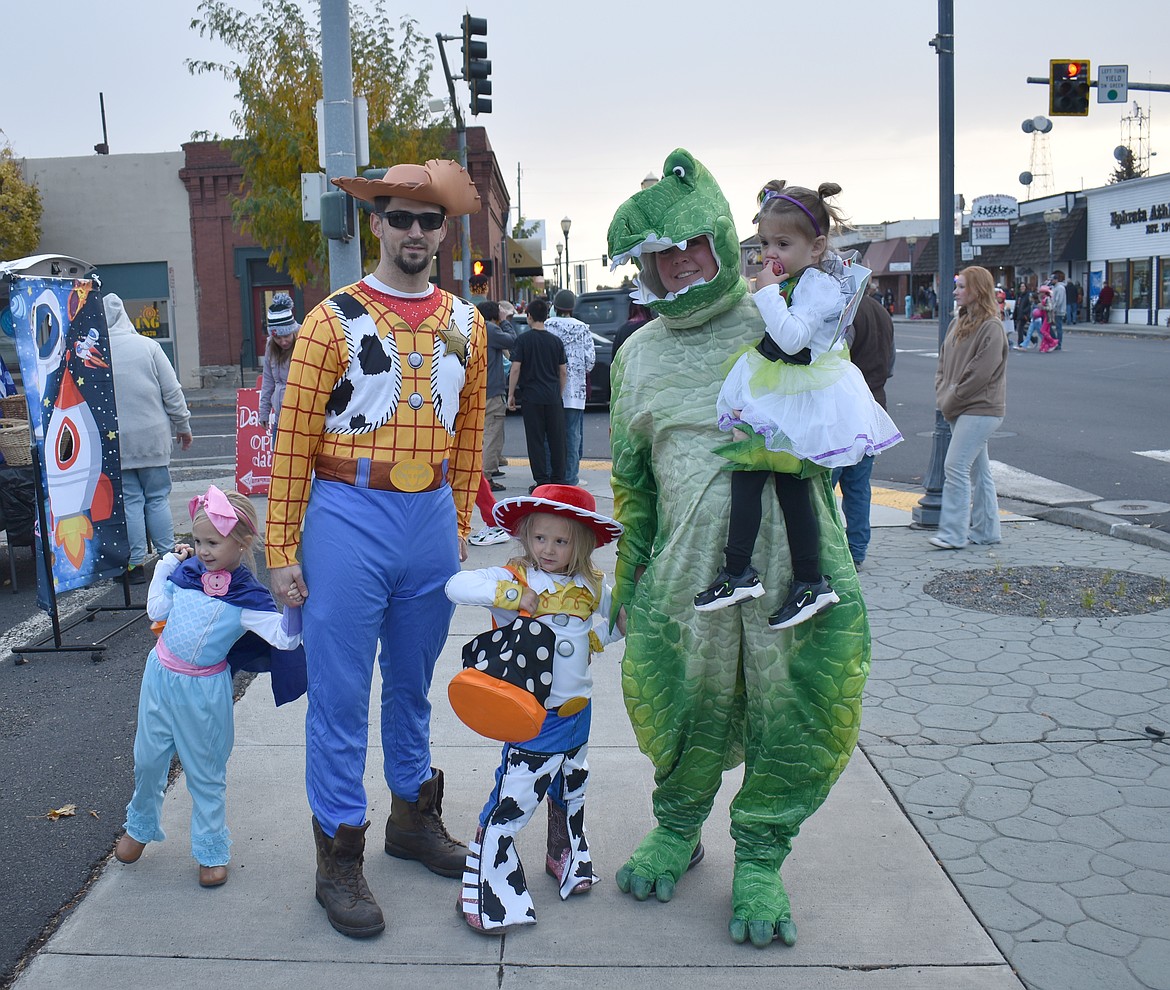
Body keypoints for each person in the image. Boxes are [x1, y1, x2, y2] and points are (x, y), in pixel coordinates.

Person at [606, 149, 871, 947]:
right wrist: (628, 569)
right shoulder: (635, 356)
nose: (678, 264)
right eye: (659, 255)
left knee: (793, 708)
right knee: (679, 702)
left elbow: (839, 427)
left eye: (692, 245)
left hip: (793, 570)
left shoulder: (780, 315)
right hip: (688, 583)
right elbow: (633, 483)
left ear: (726, 239)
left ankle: (760, 857)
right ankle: (679, 825)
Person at [265, 159, 487, 938]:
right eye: (401, 218)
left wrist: (457, 527)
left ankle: (411, 818)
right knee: (339, 694)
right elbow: (290, 441)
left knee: (413, 684)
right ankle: (337, 854)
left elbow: (469, 436)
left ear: (442, 231)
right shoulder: (332, 319)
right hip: (346, 511)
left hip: (427, 518)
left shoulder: (468, 322)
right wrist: (281, 546)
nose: (417, 233)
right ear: (377, 224)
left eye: (430, 220)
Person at [697, 180, 901, 629]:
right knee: (774, 485)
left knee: (762, 480)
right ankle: (797, 579)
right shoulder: (801, 279)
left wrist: (766, 292)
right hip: (783, 388)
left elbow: (792, 337)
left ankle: (754, 574)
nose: (771, 253)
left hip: (798, 393)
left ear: (817, 247)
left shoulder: (820, 287)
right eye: (766, 242)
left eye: (784, 244)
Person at [446, 484, 623, 932]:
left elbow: (620, 616)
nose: (548, 549)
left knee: (572, 788)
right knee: (516, 798)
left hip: (578, 713)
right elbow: (456, 584)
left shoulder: (591, 584)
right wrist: (509, 597)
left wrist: (606, 634)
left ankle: (564, 854)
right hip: (534, 717)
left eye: (561, 541)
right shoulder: (516, 576)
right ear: (526, 536)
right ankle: (489, 891)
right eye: (539, 537)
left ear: (580, 545)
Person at [114, 486, 303, 887]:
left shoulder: (247, 597)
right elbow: (157, 611)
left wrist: (292, 606)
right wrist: (167, 564)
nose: (202, 550)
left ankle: (211, 849)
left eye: (213, 542)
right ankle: (140, 825)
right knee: (147, 759)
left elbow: (284, 641)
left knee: (205, 772)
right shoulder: (186, 574)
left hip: (203, 692)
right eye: (197, 541)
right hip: (159, 677)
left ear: (243, 542)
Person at [104, 293, 193, 584]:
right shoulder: (149, 346)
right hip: (153, 438)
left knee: (129, 500)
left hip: (116, 442)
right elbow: (172, 392)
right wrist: (183, 425)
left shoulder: (96, 352)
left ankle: (134, 565)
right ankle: (171, 559)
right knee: (157, 498)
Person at [930, 266, 1008, 550]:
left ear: (977, 290)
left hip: (981, 408)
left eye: (962, 286)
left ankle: (952, 534)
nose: (956, 291)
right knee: (979, 471)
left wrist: (950, 398)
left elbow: (979, 374)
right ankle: (987, 530)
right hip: (961, 407)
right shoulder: (958, 323)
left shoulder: (992, 327)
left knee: (956, 466)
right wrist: (943, 391)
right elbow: (943, 364)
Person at [830, 293, 896, 568]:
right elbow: (890, 363)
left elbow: (835, 361)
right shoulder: (881, 312)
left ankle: (826, 547)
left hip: (845, 409)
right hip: (874, 406)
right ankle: (858, 549)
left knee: (824, 486)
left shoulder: (845, 312)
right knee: (858, 486)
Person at [507, 297, 567, 492]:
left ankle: (541, 481)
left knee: (536, 440)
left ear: (529, 316)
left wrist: (511, 394)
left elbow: (515, 369)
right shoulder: (556, 341)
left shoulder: (523, 340)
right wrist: (558, 393)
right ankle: (558, 478)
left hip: (531, 397)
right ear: (547, 316)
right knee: (557, 438)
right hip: (552, 397)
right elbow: (563, 371)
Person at [545, 289, 595, 486]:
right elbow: (590, 360)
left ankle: (552, 476)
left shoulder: (548, 326)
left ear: (555, 307)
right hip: (575, 391)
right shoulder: (583, 328)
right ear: (572, 307)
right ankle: (571, 478)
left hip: (552, 389)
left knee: (551, 435)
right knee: (573, 436)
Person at [477, 299, 517, 490]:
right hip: (492, 390)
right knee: (493, 433)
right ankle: (486, 477)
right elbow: (511, 339)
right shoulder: (490, 329)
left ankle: (486, 470)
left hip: (478, 389)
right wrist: (505, 321)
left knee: (484, 434)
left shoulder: (473, 327)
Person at [259, 292, 299, 441]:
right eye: (277, 337)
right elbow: (268, 381)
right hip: (280, 416)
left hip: (302, 415)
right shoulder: (271, 346)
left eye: (287, 335)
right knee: (279, 461)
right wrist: (264, 411)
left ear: (293, 331)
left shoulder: (305, 340)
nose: (283, 342)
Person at [1037, 285, 1059, 353]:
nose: (1040, 293)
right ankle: (1044, 346)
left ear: (1045, 292)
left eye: (1042, 292)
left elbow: (1050, 308)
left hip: (1048, 317)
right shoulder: (1045, 298)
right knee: (1046, 332)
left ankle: (1053, 342)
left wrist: (1042, 307)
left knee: (1043, 331)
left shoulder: (1047, 299)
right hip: (1046, 316)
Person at [1049, 270, 1067, 350]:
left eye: (1052, 280)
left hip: (1058, 311)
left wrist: (1054, 308)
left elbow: (1059, 300)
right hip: (1054, 309)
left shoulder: (1060, 288)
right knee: (1050, 326)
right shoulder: (1054, 288)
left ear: (1056, 280)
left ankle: (1058, 343)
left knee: (1058, 327)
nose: (1051, 281)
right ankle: (1055, 340)